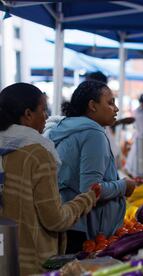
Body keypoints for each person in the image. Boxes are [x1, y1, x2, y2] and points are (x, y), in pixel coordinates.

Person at [0, 83, 100, 275]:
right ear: (28, 114)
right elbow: (55, 220)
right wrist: (86, 199)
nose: (46, 116)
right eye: (43, 110)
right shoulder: (37, 154)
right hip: (29, 264)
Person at [44, 81, 137, 253]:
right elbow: (90, 189)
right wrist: (124, 186)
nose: (116, 109)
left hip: (69, 222)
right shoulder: (93, 133)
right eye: (110, 103)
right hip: (83, 229)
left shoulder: (68, 127)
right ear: (92, 105)